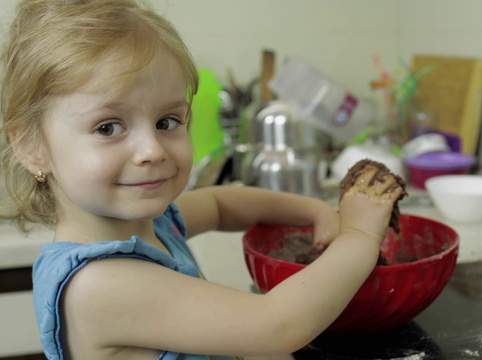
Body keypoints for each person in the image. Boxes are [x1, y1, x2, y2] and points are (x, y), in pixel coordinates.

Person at [0, 1, 405, 359]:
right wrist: (358, 237)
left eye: (167, 121)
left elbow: (221, 204)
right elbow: (278, 325)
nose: (153, 150)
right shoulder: (101, 284)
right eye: (108, 127)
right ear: (31, 146)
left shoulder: (150, 225)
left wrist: (314, 210)